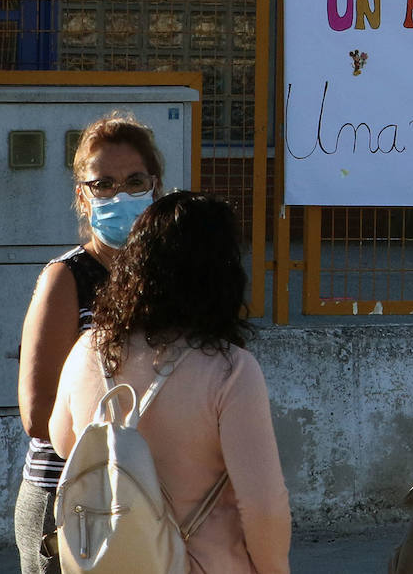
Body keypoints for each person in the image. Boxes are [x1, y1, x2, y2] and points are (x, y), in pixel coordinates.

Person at [49, 191, 291, 573]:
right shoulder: (231, 370)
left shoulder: (88, 350)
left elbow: (63, 443)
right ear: (222, 274)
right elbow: (263, 505)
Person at [14, 113, 163, 574]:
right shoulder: (66, 278)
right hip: (70, 498)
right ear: (83, 195)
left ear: (155, 188)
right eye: (104, 184)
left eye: (135, 181)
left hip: (144, 494)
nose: (121, 195)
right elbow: (38, 416)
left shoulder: (169, 279)